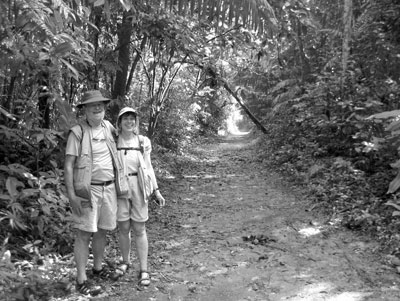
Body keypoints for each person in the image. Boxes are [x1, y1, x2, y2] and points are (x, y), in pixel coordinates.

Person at [64, 90, 121, 296]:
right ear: (85, 110)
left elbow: (125, 141)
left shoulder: (109, 127)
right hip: (88, 190)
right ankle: (81, 279)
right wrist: (72, 195)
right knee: (83, 233)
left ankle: (97, 268)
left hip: (109, 188)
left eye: (101, 105)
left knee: (102, 230)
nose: (98, 108)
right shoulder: (77, 132)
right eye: (92, 105)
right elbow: (69, 165)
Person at [113, 107, 165, 287]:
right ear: (119, 122)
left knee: (140, 228)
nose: (129, 121)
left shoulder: (143, 142)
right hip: (119, 187)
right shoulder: (113, 141)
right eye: (125, 118)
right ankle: (125, 261)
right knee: (123, 227)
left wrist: (156, 190)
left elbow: (148, 168)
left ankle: (144, 269)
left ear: (136, 122)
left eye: (132, 118)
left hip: (139, 187)